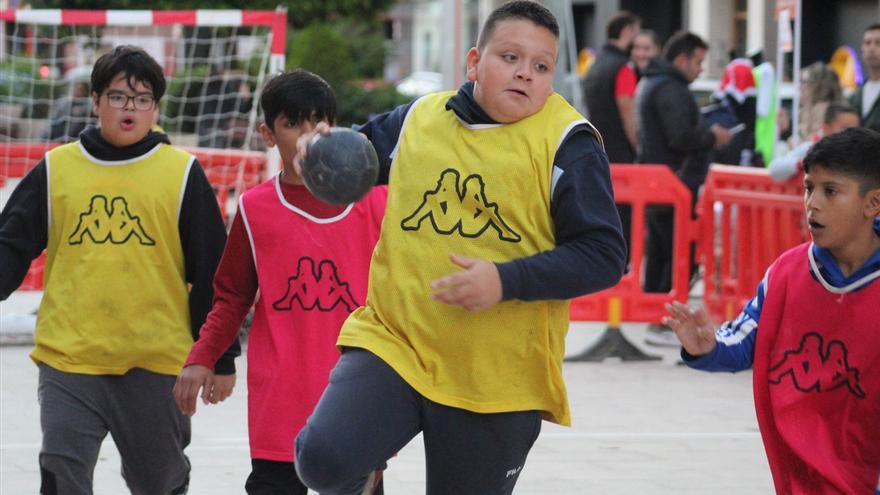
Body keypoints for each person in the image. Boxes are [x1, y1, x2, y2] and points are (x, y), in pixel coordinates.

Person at [292, 2, 626, 494]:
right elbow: (354, 156)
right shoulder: (418, 120)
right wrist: (314, 153)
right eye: (510, 57)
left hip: (498, 375)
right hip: (396, 342)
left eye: (541, 66)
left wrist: (504, 280)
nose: (525, 74)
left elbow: (604, 255)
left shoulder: (568, 144)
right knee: (323, 459)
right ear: (474, 63)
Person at [0, 45, 239, 494]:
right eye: (117, 96)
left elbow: (213, 274)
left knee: (158, 482)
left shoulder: (182, 173)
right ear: (95, 101)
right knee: (60, 472)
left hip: (156, 363)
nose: (129, 108)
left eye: (142, 98)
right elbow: (9, 248)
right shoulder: (56, 169)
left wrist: (217, 357)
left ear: (155, 107)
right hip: (69, 360)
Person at [172, 70, 387, 495]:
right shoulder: (255, 208)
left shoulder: (374, 201)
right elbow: (231, 296)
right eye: (293, 124)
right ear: (268, 134)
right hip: (279, 398)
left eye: (318, 123)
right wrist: (203, 356)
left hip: (354, 397)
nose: (308, 136)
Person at [664, 127, 880, 494]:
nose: (813, 203)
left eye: (831, 191)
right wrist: (709, 346)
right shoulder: (786, 273)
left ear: (872, 203)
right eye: (809, 187)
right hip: (801, 479)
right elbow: (746, 336)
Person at [635, 31, 733, 346]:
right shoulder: (669, 88)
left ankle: (655, 319)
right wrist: (711, 136)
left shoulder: (655, 83)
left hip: (660, 184)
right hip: (674, 185)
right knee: (678, 253)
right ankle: (662, 323)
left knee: (663, 252)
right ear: (683, 58)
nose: (701, 70)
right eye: (699, 62)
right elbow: (680, 137)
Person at [583, 10, 640, 163]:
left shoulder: (595, 63)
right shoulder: (624, 67)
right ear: (627, 31)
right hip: (620, 154)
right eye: (637, 32)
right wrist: (639, 149)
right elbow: (628, 116)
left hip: (596, 148)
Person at [769, 103, 859, 182]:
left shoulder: (859, 152)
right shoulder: (812, 149)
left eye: (855, 129)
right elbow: (775, 168)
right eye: (845, 128)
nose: (851, 133)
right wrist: (803, 163)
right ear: (826, 128)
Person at [798, 62, 845, 142]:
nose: (801, 87)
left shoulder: (825, 109)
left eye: (805, 82)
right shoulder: (807, 108)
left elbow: (814, 140)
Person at [851, 23, 880, 132]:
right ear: (862, 49)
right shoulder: (855, 94)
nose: (872, 48)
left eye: (878, 43)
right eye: (867, 43)